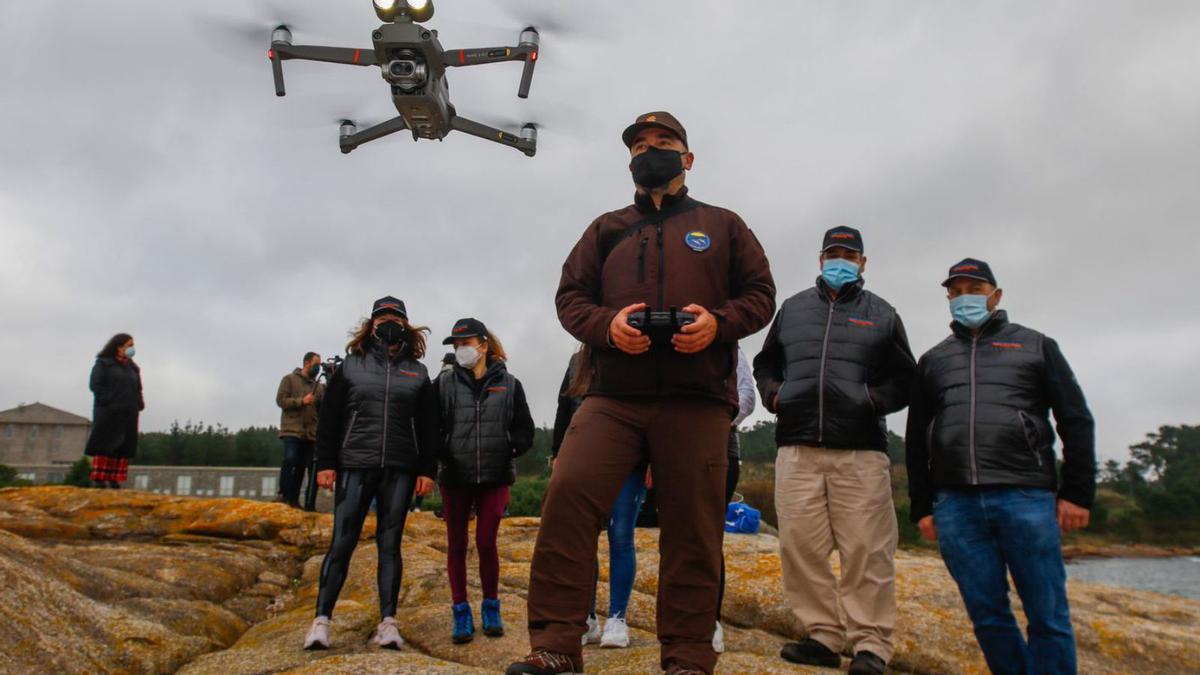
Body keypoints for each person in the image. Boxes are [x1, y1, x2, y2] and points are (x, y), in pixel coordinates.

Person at [508, 111, 776, 675]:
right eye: (641, 144)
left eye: (664, 142)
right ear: (629, 160)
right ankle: (556, 645)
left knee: (694, 530)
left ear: (688, 156)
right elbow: (569, 298)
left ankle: (687, 657)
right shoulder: (606, 228)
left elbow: (760, 294)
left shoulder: (723, 224)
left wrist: (718, 323)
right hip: (613, 397)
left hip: (698, 399)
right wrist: (607, 326)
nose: (651, 150)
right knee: (569, 499)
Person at [905, 259, 1095, 675]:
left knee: (1047, 615)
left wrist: (1077, 493)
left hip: (1026, 496)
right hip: (956, 505)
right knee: (987, 615)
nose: (965, 297)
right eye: (957, 291)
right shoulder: (933, 360)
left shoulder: (1036, 345)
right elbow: (917, 438)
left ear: (996, 294)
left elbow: (1075, 419)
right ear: (948, 298)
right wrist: (922, 506)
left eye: (975, 288)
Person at [752, 226, 916, 675]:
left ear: (863, 263)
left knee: (867, 550)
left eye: (849, 254)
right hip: (797, 449)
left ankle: (871, 645)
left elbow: (905, 378)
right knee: (800, 548)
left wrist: (871, 401)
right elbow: (765, 362)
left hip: (860, 452)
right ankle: (822, 636)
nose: (840, 260)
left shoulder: (882, 314)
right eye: (833, 253)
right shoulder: (792, 310)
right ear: (821, 258)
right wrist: (775, 395)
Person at [302, 296, 437, 651]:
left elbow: (429, 426)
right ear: (371, 325)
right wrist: (325, 463)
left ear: (406, 325)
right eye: (382, 317)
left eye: (395, 317)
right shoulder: (351, 366)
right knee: (342, 543)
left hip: (400, 466)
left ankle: (388, 622)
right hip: (354, 464)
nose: (388, 322)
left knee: (389, 545)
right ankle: (321, 621)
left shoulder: (419, 372)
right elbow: (330, 418)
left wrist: (427, 469)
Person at [435, 317, 535, 645]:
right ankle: (460, 609)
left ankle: (491, 606)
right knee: (457, 544)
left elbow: (525, 427)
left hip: (495, 475)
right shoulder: (444, 383)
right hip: (455, 475)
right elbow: (431, 425)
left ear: (483, 344)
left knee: (487, 542)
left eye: (466, 343)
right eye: (456, 345)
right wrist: (442, 450)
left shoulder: (509, 383)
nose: (461, 349)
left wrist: (511, 444)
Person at [552, 345, 649, 651]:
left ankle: (617, 619)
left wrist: (652, 459)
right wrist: (558, 454)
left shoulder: (640, 352)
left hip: (630, 462)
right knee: (583, 539)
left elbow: (651, 412)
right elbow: (564, 407)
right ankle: (587, 618)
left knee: (620, 534)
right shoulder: (577, 360)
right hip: (585, 458)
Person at [712, 345, 755, 654]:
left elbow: (747, 398)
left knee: (709, 535)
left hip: (721, 448)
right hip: (674, 448)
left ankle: (710, 619)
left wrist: (713, 424)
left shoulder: (730, 346)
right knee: (674, 533)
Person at [84, 333, 144, 489]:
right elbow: (96, 384)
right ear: (118, 346)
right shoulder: (103, 363)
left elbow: (138, 387)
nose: (132, 349)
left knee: (122, 444)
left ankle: (115, 478)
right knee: (106, 443)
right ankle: (100, 477)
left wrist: (139, 403)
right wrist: (106, 402)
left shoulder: (133, 367)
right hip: (108, 411)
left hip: (128, 412)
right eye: (129, 345)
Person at [276, 352, 324, 509]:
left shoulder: (318, 386)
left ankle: (294, 499)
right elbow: (281, 400)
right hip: (292, 429)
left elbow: (323, 406)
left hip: (310, 433)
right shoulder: (289, 379)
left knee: (302, 466)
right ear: (307, 363)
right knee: (290, 459)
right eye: (316, 363)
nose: (318, 367)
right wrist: (301, 401)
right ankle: (283, 494)